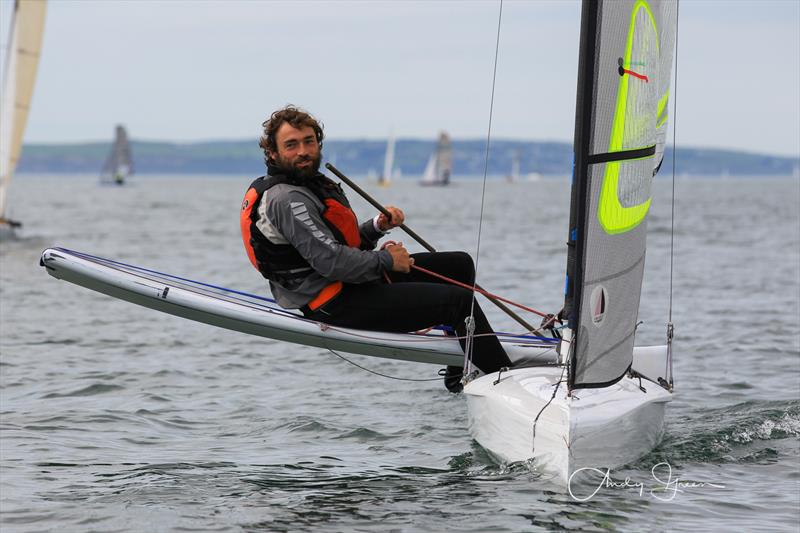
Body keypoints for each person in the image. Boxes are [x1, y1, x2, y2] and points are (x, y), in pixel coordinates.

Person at [240, 105, 512, 392]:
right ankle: (504, 381)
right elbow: (331, 262)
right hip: (333, 302)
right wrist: (387, 260)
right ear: (272, 152)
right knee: (458, 302)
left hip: (346, 283)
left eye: (309, 141)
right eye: (291, 145)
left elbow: (335, 246)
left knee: (459, 265)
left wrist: (376, 227)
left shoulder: (305, 185)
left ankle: (461, 367)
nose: (303, 151)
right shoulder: (287, 199)